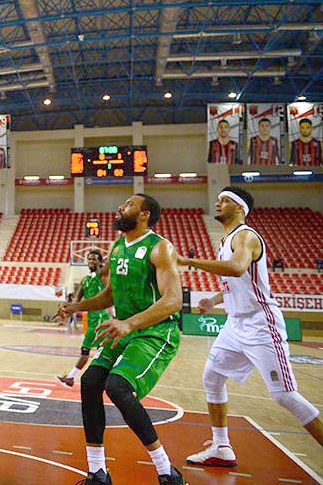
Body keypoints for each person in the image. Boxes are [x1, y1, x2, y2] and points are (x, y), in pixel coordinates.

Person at [177, 186, 323, 467]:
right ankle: (221, 447)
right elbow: (237, 281)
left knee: (284, 395)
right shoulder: (226, 240)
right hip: (235, 324)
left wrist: (189, 261)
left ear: (240, 208)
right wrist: (215, 299)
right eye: (217, 199)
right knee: (212, 377)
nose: (217, 203)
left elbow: (237, 268)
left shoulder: (246, 236)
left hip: (260, 324)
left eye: (224, 200)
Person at [59, 194, 184, 484]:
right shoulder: (116, 248)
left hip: (156, 332)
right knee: (90, 382)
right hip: (125, 330)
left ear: (144, 215)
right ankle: (98, 472)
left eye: (128, 204)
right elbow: (109, 296)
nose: (120, 207)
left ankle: (167, 472)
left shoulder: (160, 247)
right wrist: (75, 306)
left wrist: (129, 323)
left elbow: (174, 300)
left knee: (118, 387)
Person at [57, 250, 110, 388]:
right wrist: (65, 310)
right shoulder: (85, 280)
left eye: (94, 259)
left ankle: (71, 378)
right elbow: (75, 302)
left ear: (100, 261)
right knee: (101, 351)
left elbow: (110, 264)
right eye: (89, 259)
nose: (91, 262)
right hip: (92, 318)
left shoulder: (102, 275)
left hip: (100, 318)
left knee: (85, 351)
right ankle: (103, 379)